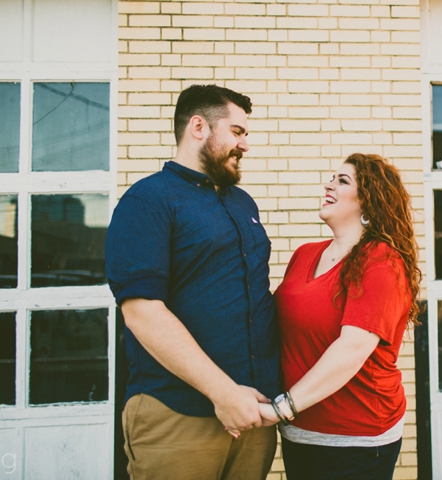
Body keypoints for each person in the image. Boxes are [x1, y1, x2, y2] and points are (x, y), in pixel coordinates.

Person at [105, 84, 279, 480]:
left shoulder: (242, 202)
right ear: (198, 127)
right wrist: (224, 393)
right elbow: (142, 313)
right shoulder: (148, 201)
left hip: (253, 415)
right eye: (237, 132)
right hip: (177, 415)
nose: (245, 145)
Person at [260, 153, 423, 480]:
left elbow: (352, 349)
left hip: (356, 439)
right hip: (299, 430)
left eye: (342, 181)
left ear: (369, 201)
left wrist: (282, 407)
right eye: (332, 178)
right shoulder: (305, 254)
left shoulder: (382, 262)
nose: (328, 184)